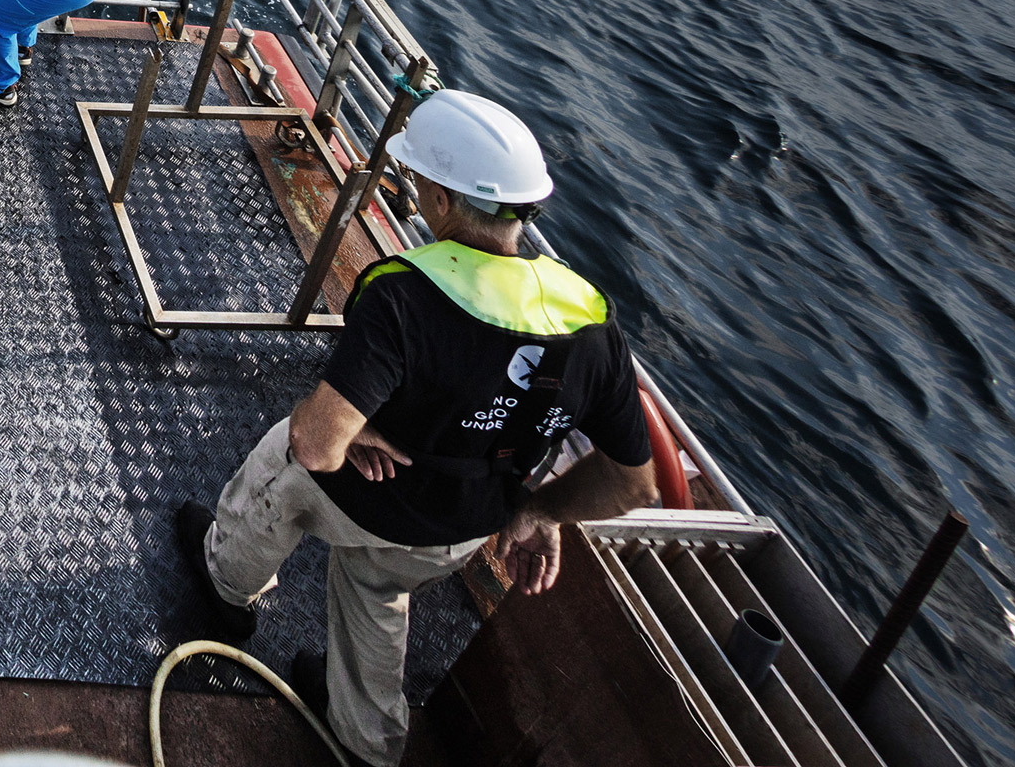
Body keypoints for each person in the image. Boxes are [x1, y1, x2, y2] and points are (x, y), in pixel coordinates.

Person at [172, 89, 657, 767]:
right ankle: (363, 739)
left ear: (439, 201)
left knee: (282, 454)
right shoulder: (593, 323)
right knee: (377, 588)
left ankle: (229, 591)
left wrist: (352, 431)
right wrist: (536, 511)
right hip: (460, 531)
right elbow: (633, 485)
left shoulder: (403, 292)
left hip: (366, 498)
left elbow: (318, 445)